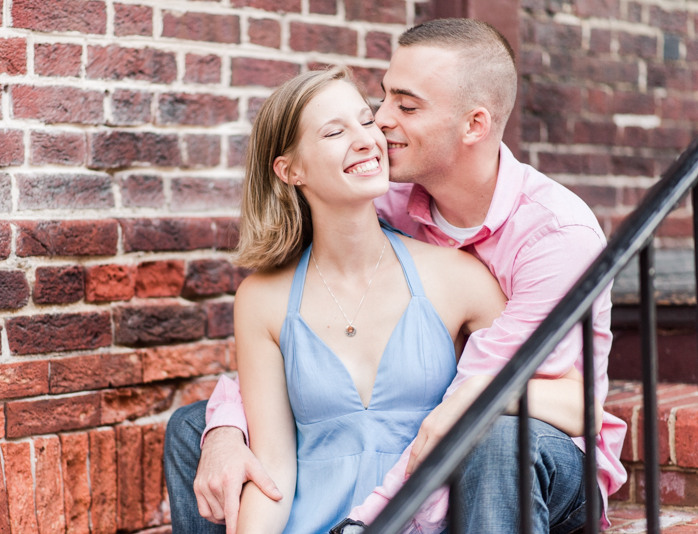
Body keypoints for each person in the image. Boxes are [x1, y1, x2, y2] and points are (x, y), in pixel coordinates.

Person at [165, 19, 627, 534]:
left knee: (491, 435)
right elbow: (291, 317)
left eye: (405, 107)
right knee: (195, 426)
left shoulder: (553, 237)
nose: (379, 125)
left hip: (534, 447)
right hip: (433, 424)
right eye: (381, 100)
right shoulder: (384, 195)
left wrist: (366, 523)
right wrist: (226, 425)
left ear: (474, 124)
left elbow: (485, 400)